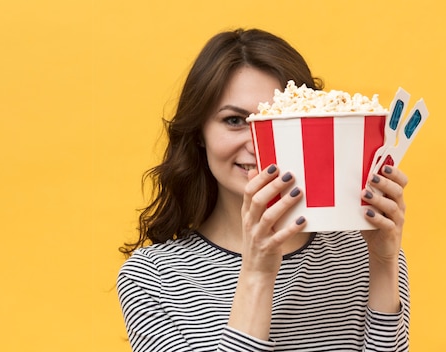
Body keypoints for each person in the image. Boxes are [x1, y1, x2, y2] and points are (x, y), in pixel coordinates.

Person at [116, 28, 410, 351]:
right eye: (234, 121)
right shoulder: (151, 279)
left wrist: (384, 264)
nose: (258, 143)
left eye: (275, 118)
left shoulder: (362, 256)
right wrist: (257, 274)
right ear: (199, 132)